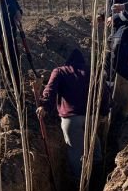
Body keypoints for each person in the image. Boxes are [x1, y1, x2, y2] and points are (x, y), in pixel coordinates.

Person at [36, 48, 107, 178]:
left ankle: (79, 181)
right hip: (91, 116)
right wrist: (104, 111)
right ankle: (99, 176)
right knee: (93, 141)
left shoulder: (59, 71)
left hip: (70, 119)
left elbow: (50, 89)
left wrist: (44, 106)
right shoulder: (92, 71)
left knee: (75, 151)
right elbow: (103, 92)